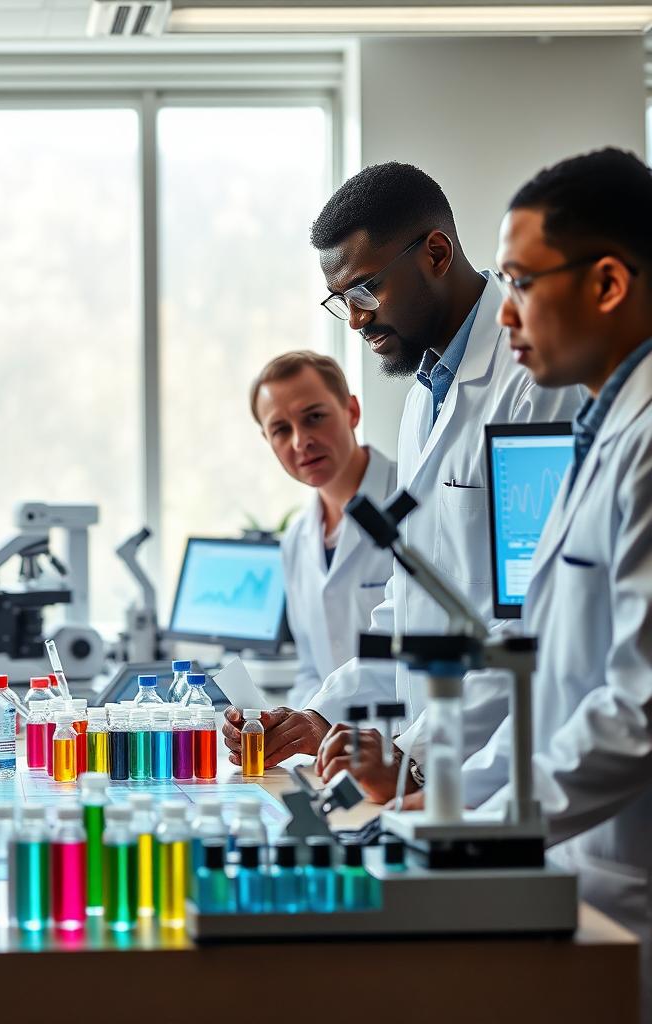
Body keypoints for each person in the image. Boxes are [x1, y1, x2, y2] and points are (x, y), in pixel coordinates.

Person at [223, 162, 583, 795]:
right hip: (434, 773)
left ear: (436, 253)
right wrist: (320, 714)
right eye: (342, 303)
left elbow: (535, 623)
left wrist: (419, 759)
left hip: (504, 773)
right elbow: (412, 600)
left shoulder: (537, 385)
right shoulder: (425, 393)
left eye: (365, 291)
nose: (356, 322)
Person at [442, 149, 652, 1017]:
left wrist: (483, 832)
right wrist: (452, 812)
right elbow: (549, 681)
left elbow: (638, 705)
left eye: (522, 282)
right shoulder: (600, 431)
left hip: (628, 878)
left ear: (606, 282)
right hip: (583, 865)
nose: (504, 314)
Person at [249, 350, 396, 712]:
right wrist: (296, 730)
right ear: (267, 442)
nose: (300, 442)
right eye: (281, 430)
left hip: (407, 747)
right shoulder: (297, 540)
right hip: (331, 755)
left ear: (352, 412)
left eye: (314, 417)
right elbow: (312, 671)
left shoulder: (413, 500)